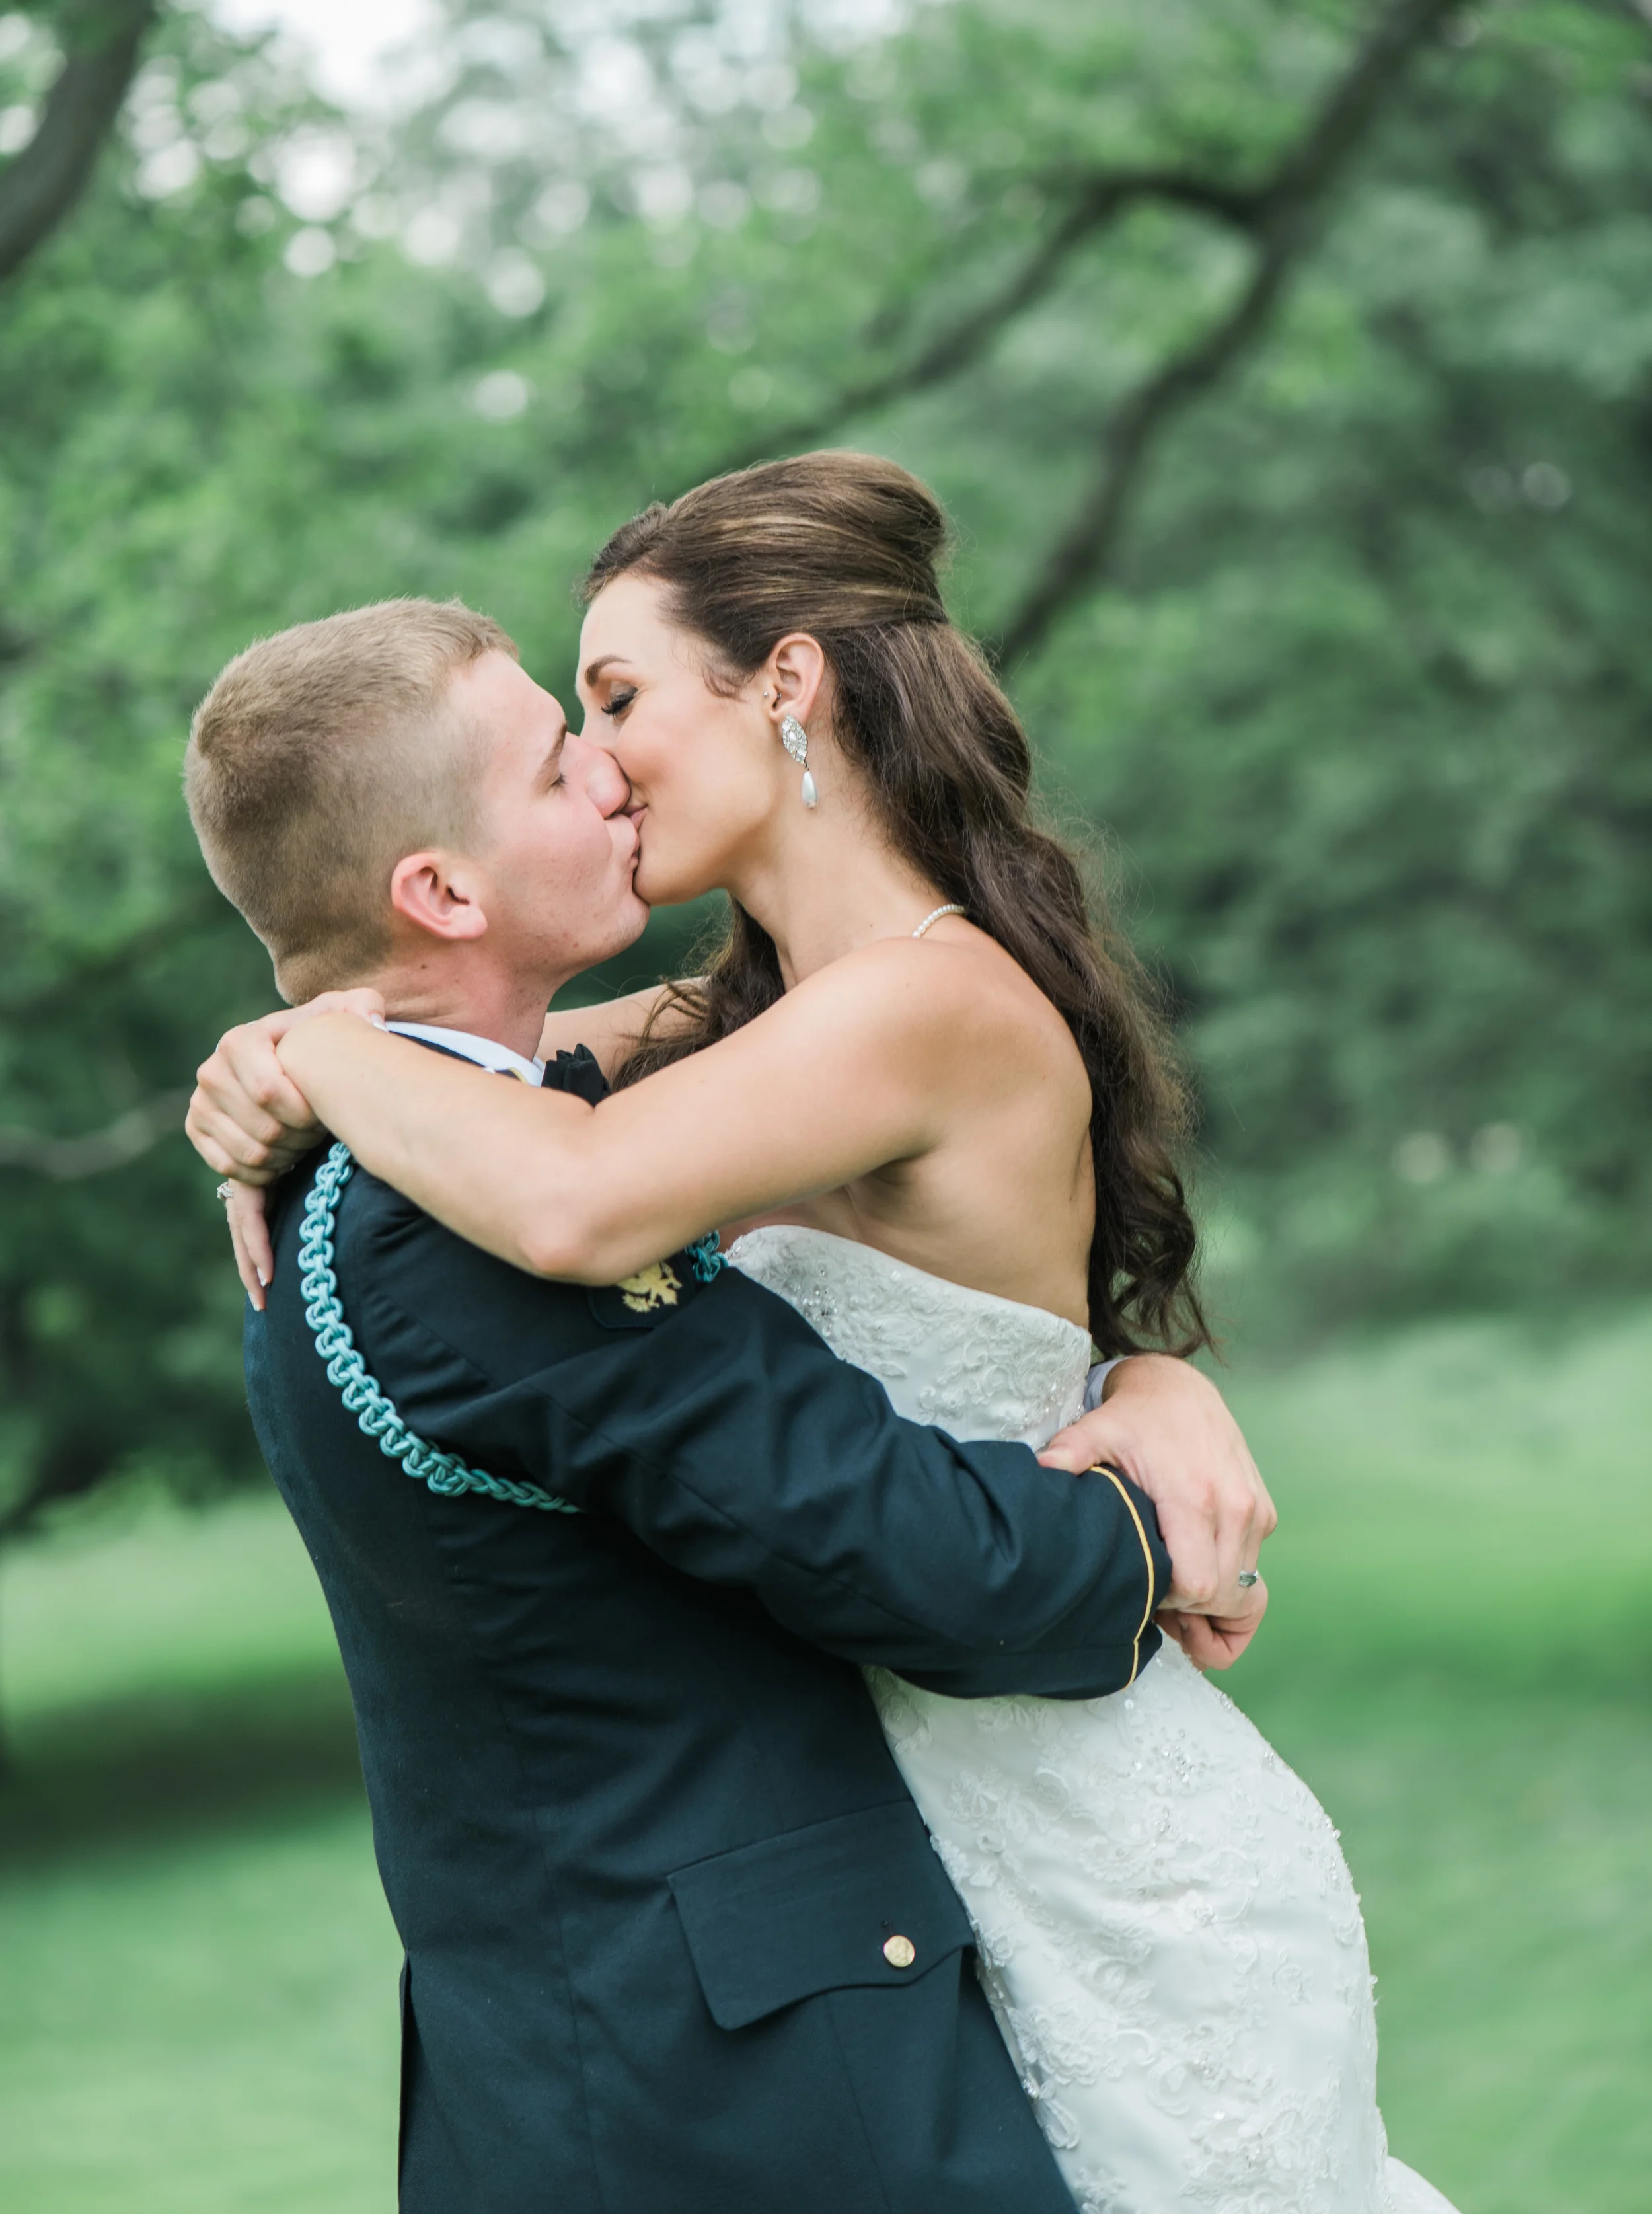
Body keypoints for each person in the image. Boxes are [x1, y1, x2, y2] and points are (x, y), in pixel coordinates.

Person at [189, 453, 1460, 2213]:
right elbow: (512, 1088)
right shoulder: (724, 1029)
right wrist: (300, 1045)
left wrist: (321, 1045)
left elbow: (566, 1194)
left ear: (785, 684)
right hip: (898, 1849)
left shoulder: (913, 1005)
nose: (606, 756)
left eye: (616, 701)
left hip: (1062, 1808)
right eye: (570, 730)